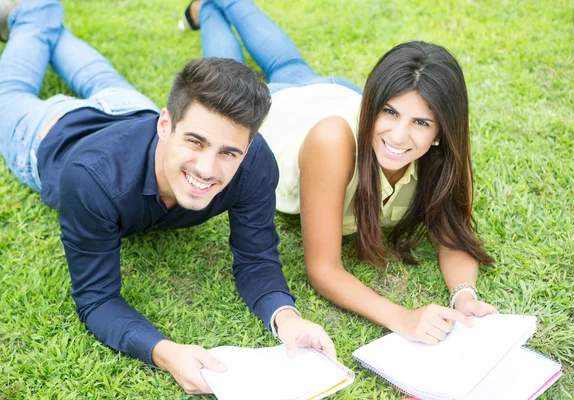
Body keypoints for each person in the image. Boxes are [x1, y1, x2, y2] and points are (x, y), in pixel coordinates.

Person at [0, 0, 336, 395]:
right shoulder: (92, 180)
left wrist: (287, 318)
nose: (209, 168)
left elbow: (257, 260)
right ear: (167, 124)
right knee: (12, 88)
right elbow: (96, 299)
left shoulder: (254, 162)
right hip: (48, 132)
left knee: (96, 74)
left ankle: (35, 15)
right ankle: (34, 9)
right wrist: (166, 352)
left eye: (229, 152)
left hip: (129, 110)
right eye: (195, 142)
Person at [181, 0, 499, 346]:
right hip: (286, 110)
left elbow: (452, 232)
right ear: (374, 104)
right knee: (227, 73)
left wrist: (464, 297)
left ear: (441, 131)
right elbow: (323, 270)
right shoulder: (332, 142)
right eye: (390, 112)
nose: (397, 135)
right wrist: (402, 318)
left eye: (420, 122)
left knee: (289, 63)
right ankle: (211, 6)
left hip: (336, 94)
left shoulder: (446, 157)